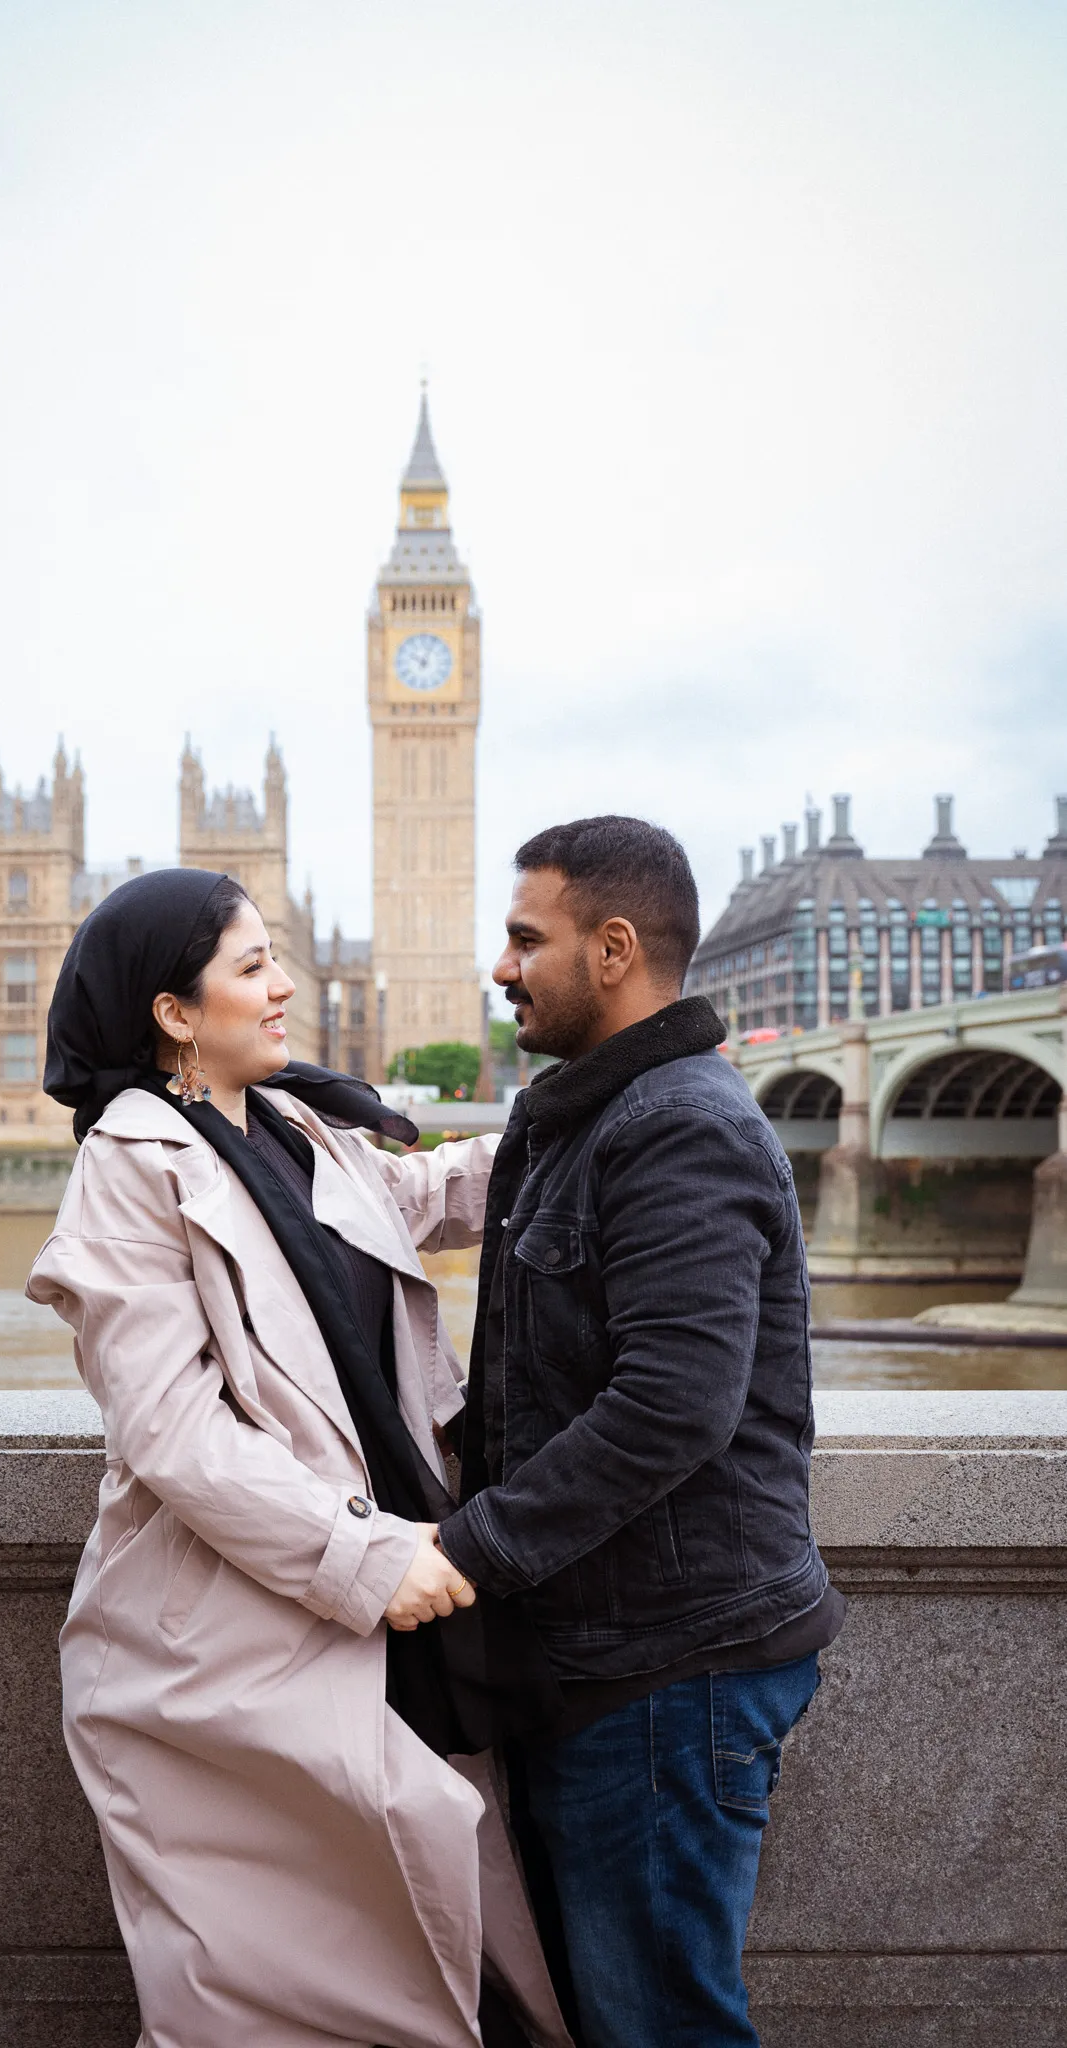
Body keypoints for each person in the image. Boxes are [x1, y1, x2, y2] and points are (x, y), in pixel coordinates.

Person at [26, 866, 573, 2048]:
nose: (286, 986)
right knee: (269, 1993)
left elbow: (423, 1190)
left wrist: (589, 1101)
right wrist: (359, 1555)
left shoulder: (287, 1121)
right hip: (234, 1639)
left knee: (446, 1942)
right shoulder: (131, 1162)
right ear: (174, 1013)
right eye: (253, 964)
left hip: (383, 1605)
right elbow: (170, 1428)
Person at [435, 816, 845, 2048]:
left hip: (674, 1670)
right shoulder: (588, 1117)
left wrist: (466, 1550)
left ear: (613, 948)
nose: (500, 967)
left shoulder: (675, 1125)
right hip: (610, 1659)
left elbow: (674, 1402)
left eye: (525, 938)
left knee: (660, 2026)